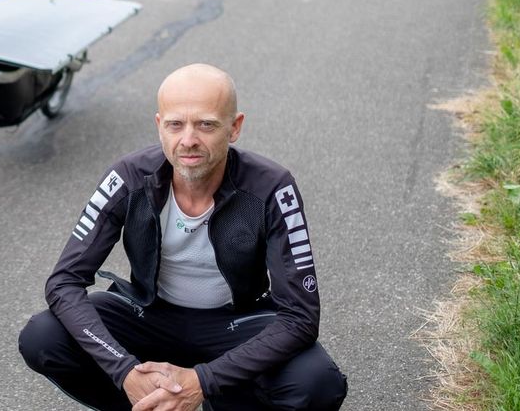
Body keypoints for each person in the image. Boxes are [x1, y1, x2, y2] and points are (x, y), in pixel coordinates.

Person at [18, 64, 347, 411]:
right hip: (149, 316)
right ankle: (148, 404)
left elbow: (300, 317)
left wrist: (204, 381)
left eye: (206, 124)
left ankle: (221, 399)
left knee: (317, 383)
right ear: (160, 126)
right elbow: (64, 282)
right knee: (43, 336)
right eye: (176, 124)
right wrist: (125, 372)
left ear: (234, 128)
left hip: (234, 326)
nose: (188, 139)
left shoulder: (271, 187)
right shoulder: (129, 177)